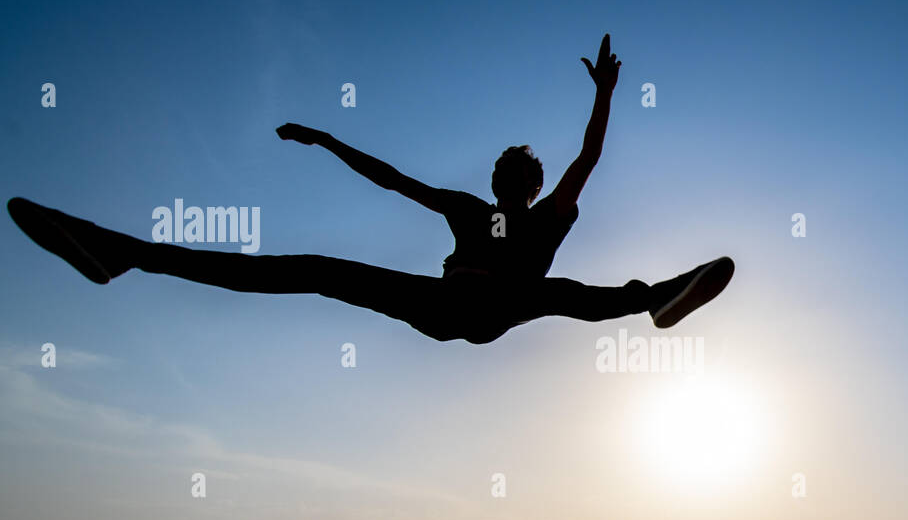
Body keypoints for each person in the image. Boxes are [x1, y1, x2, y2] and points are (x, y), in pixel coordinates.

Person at [7, 34, 734, 345]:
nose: (512, 178)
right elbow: (389, 179)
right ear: (493, 182)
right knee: (312, 270)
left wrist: (605, 92)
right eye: (504, 171)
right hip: (444, 303)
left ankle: (656, 300)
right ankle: (122, 254)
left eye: (523, 173)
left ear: (535, 184)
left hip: (504, 307)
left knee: (565, 292)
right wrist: (327, 141)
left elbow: (590, 156)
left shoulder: (549, 217)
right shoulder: (467, 210)